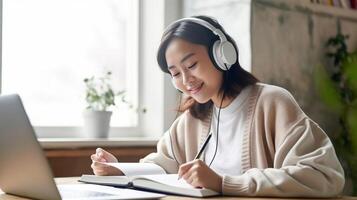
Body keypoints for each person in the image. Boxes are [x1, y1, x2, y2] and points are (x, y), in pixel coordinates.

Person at [90, 15, 345, 197]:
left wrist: (224, 183)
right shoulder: (192, 119)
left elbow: (323, 176)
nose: (185, 80)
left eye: (191, 65)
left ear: (223, 54)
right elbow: (166, 162)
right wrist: (121, 169)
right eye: (175, 73)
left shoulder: (272, 103)